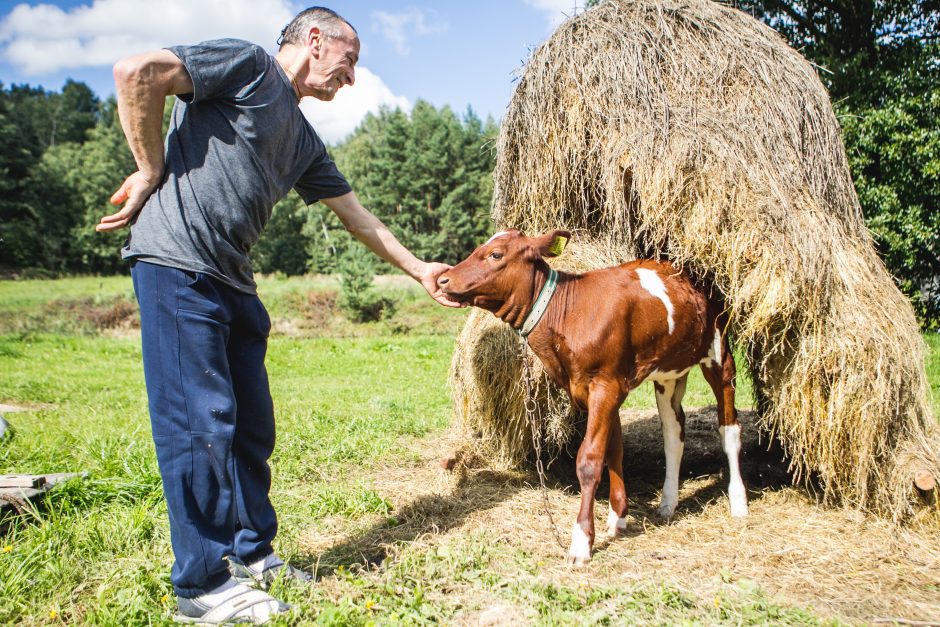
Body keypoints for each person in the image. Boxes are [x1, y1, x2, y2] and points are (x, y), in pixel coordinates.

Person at [96, 7, 460, 624]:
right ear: (315, 40)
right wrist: (151, 164)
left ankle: (251, 555)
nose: (351, 78)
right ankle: (202, 585)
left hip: (234, 278)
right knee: (199, 424)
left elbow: (359, 218)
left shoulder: (305, 141)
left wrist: (421, 268)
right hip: (178, 264)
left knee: (250, 429)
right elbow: (138, 72)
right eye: (349, 60)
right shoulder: (249, 66)